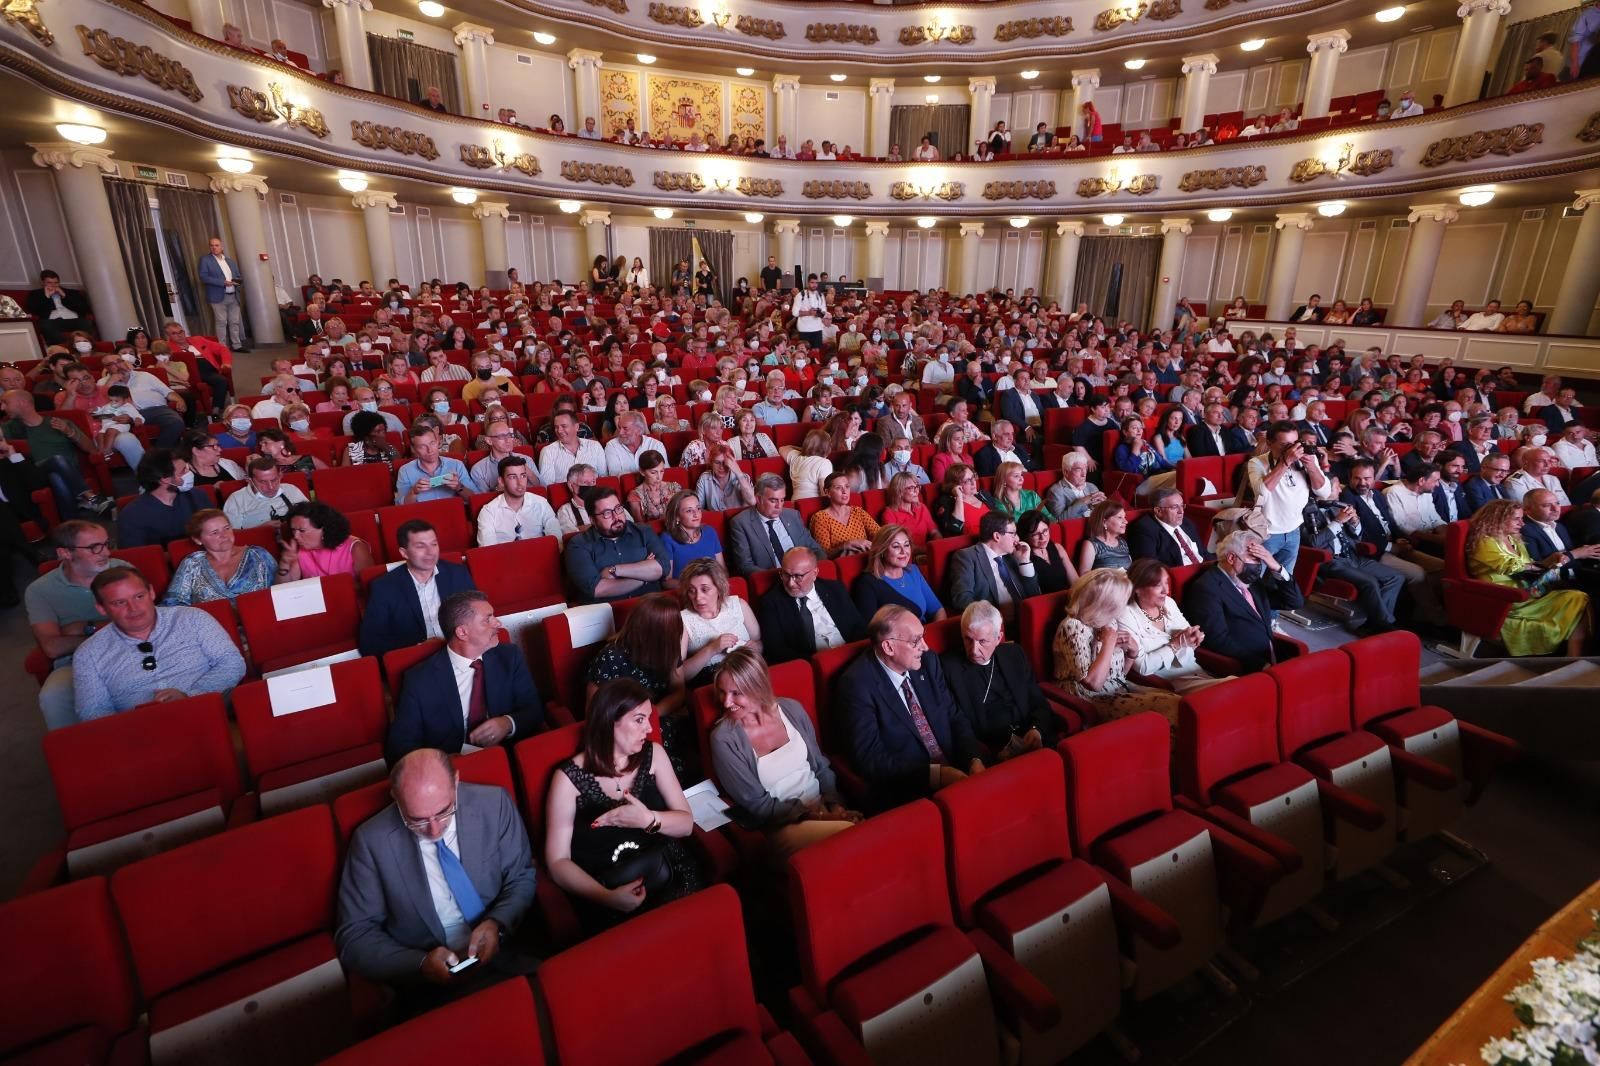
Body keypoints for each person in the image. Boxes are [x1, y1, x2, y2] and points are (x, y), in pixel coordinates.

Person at [335, 748, 539, 1015]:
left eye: (444, 812)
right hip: (428, 986)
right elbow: (354, 935)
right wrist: (419, 964)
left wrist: (497, 924)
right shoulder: (371, 842)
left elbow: (521, 876)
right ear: (395, 796)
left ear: (456, 781)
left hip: (507, 954)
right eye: (417, 820)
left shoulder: (494, 804)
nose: (433, 829)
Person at [544, 678, 702, 932]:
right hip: (604, 884)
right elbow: (557, 861)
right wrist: (605, 896)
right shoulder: (567, 779)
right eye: (639, 720)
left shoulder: (654, 755)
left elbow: (686, 824)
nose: (649, 729)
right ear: (609, 722)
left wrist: (649, 819)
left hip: (666, 870)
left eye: (648, 718)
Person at [709, 649, 858, 853]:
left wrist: (835, 805)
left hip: (824, 806)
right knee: (850, 836)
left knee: (860, 830)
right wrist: (818, 816)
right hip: (782, 824)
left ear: (757, 687)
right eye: (722, 692)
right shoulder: (724, 738)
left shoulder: (791, 709)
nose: (726, 702)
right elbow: (757, 805)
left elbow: (821, 767)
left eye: (736, 693)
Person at [836, 605, 981, 812]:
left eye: (923, 637)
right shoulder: (856, 685)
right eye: (915, 641)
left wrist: (973, 758)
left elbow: (954, 715)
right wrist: (935, 775)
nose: (926, 647)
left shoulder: (928, 662)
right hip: (911, 790)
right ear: (888, 647)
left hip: (958, 766)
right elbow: (870, 758)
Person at [386, 591, 544, 765]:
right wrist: (443, 761)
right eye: (487, 619)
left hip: (507, 757)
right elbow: (400, 746)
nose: (498, 623)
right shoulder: (419, 680)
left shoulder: (509, 657)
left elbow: (534, 710)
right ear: (462, 632)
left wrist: (507, 723)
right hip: (452, 768)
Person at [72, 567, 247, 720]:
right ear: (102, 608)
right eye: (119, 603)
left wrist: (191, 696)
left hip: (211, 709)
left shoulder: (192, 618)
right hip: (140, 732)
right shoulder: (89, 653)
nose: (134, 609)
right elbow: (92, 711)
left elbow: (231, 663)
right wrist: (141, 722)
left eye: (139, 596)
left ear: (151, 592)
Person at [27, 520, 136, 728]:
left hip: (133, 648)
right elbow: (51, 647)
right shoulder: (39, 590)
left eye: (106, 544)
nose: (105, 553)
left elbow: (146, 619)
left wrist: (79, 629)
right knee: (53, 694)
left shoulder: (123, 570)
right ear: (65, 553)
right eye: (94, 547)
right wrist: (97, 628)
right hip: (76, 663)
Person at [1055, 569, 1184, 728]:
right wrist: (1109, 644)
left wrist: (1132, 653)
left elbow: (1119, 675)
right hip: (1089, 698)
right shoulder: (1073, 627)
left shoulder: (1108, 621)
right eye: (1117, 604)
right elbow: (1093, 684)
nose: (1122, 609)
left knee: (1177, 703)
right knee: (1169, 712)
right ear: (1102, 605)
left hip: (1117, 688)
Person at [1466, 501, 1590, 656]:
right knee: (1577, 598)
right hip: (1505, 597)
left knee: (1579, 597)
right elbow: (1508, 566)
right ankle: (1572, 656)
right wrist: (1539, 566)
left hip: (1526, 590)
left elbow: (1528, 565)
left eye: (1522, 518)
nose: (1522, 523)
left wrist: (1550, 560)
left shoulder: (1512, 538)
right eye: (1516, 519)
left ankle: (1573, 655)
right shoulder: (1484, 541)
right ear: (1498, 518)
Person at [941, 601, 1056, 763]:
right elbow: (958, 724)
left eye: (982, 641)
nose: (974, 650)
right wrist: (987, 755)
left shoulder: (1014, 655)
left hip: (1030, 738)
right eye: (968, 639)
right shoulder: (949, 668)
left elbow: (1038, 701)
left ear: (998, 638)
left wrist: (1037, 730)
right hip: (991, 752)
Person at [1182, 530, 1298, 673]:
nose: (1259, 565)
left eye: (1260, 559)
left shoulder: (1252, 582)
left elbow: (1293, 602)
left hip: (1273, 656)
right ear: (1231, 557)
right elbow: (1217, 639)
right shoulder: (1206, 588)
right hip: (1249, 667)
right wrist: (1261, 666)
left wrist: (1276, 567)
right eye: (1254, 558)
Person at [360, 520, 476, 658]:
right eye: (421, 546)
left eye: (434, 544)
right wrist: (418, 647)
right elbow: (370, 642)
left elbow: (478, 614)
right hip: (419, 659)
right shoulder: (384, 587)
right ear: (404, 553)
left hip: (462, 650)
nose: (430, 552)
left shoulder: (457, 573)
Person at [1118, 559, 1228, 693]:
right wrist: (1176, 644)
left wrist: (1195, 638)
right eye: (1158, 585)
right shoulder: (1125, 615)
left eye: (1166, 582)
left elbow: (1189, 639)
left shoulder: (1168, 603)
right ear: (1137, 589)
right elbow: (1142, 666)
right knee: (1231, 689)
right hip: (1171, 682)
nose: (1166, 590)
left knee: (1236, 685)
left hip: (1195, 671)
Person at [2, 388, 112, 518]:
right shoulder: (7, 429)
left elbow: (92, 450)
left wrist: (69, 432)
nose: (2, 407)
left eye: (5, 403)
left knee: (57, 476)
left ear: (21, 402)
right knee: (56, 460)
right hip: (35, 475)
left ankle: (72, 521)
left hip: (69, 474)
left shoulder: (59, 423)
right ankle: (91, 497)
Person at [1300, 497, 1404, 632]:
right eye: (1336, 488)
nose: (1339, 492)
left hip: (1353, 556)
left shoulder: (1337, 508)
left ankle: (1375, 623)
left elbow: (1357, 537)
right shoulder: (1306, 511)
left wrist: (1355, 522)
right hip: (1332, 561)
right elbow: (1314, 543)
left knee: (1396, 577)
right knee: (1370, 582)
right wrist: (1338, 522)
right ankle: (1386, 624)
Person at [1246, 420, 1334, 572]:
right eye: (1284, 445)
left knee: (1285, 577)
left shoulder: (1308, 458)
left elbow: (1324, 493)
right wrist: (1285, 462)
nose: (1292, 449)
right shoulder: (1257, 463)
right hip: (1266, 533)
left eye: (1294, 443)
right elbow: (1262, 493)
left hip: (1294, 530)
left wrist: (1311, 465)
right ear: (1269, 443)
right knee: (1256, 576)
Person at [757, 546, 867, 663]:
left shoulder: (835, 589)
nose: (790, 583)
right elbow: (776, 651)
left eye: (798, 576)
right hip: (813, 664)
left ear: (815, 573)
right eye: (785, 574)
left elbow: (858, 627)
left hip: (853, 657)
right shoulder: (771, 602)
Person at [565, 485, 669, 602]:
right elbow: (597, 589)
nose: (616, 517)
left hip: (650, 607)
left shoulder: (644, 531)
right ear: (592, 520)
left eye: (618, 509)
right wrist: (647, 576)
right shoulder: (579, 544)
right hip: (607, 614)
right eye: (607, 513)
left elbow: (664, 567)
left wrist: (615, 570)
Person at [163, 509, 277, 606]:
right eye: (215, 532)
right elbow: (174, 603)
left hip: (259, 620)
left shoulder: (257, 554)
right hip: (210, 627)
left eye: (227, 528)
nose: (224, 535)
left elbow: (280, 590)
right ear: (198, 540)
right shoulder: (192, 563)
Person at [678, 558, 762, 684]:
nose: (698, 597)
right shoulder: (683, 619)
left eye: (705, 589)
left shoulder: (738, 605)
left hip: (747, 672)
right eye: (692, 590)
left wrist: (755, 648)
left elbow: (759, 643)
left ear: (719, 587)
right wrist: (711, 649)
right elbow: (679, 675)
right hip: (711, 681)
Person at [947, 511, 1041, 616]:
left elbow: (1035, 595)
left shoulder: (1012, 555)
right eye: (1013, 534)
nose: (1017, 539)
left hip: (1027, 619)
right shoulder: (966, 557)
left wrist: (1024, 562)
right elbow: (962, 600)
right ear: (997, 536)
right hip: (995, 626)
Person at [727, 474, 824, 576]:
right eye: (773, 500)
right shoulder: (741, 523)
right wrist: (783, 576)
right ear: (759, 499)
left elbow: (816, 550)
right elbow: (745, 566)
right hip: (771, 581)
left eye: (782, 500)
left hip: (803, 576)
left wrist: (808, 572)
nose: (779, 506)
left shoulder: (793, 515)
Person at [118, 450, 212, 548]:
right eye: (183, 471)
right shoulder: (132, 516)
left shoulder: (196, 496)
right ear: (165, 479)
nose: (189, 473)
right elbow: (138, 556)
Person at [852, 524, 945, 623]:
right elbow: (870, 629)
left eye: (906, 545)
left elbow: (938, 610)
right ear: (882, 551)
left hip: (924, 632)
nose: (903, 551)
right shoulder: (867, 583)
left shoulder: (913, 570)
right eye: (896, 546)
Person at [278, 500, 376, 580]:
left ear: (324, 529)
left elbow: (368, 584)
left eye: (302, 530)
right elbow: (284, 590)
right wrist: (284, 564)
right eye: (293, 530)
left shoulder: (355, 547)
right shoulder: (298, 550)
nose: (295, 536)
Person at [475, 455, 560, 547]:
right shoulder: (488, 512)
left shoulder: (541, 503)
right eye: (513, 477)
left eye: (523, 476)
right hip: (505, 560)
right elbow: (488, 552)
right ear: (501, 481)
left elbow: (557, 542)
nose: (520, 482)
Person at [1128, 487, 1211, 568]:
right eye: (1175, 507)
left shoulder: (1186, 523)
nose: (1181, 511)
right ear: (1158, 511)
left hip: (1204, 570)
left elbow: (1203, 553)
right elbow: (1151, 569)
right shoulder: (1145, 530)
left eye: (1182, 505)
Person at [395, 424, 474, 506]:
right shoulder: (405, 471)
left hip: (453, 511)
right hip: (422, 515)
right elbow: (401, 507)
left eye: (432, 443)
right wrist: (413, 492)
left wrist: (459, 487)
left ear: (437, 442)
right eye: (422, 446)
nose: (430, 450)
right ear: (413, 449)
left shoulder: (456, 464)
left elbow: (474, 498)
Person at [221, 456, 306, 530]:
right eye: (263, 482)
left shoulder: (291, 489)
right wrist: (261, 529)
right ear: (249, 481)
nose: (271, 487)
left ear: (280, 476)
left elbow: (311, 518)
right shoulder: (236, 499)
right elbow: (231, 534)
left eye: (274, 480)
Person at [809, 472, 880, 557]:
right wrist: (846, 545)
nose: (844, 491)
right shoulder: (820, 518)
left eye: (847, 487)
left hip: (865, 557)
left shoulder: (858, 512)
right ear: (827, 492)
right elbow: (824, 555)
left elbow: (880, 533)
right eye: (838, 488)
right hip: (842, 562)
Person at [197, 236, 246, 352]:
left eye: (216, 245)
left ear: (222, 247)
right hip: (218, 296)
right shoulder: (205, 260)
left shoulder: (229, 261)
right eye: (211, 245)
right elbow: (203, 277)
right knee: (221, 322)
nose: (214, 247)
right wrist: (222, 283)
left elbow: (237, 275)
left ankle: (237, 345)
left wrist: (237, 281)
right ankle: (222, 348)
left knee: (234, 322)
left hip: (234, 295)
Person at [25, 269, 95, 347]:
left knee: (85, 323)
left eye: (56, 282)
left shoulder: (71, 293)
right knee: (45, 325)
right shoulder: (35, 294)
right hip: (52, 321)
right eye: (49, 282)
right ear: (42, 282)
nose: (53, 285)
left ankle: (89, 347)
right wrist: (47, 297)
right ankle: (62, 349)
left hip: (73, 319)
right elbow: (34, 310)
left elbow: (83, 309)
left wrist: (64, 295)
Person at [538, 410, 609, 485]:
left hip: (595, 493)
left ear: (576, 427)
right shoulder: (548, 451)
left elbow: (603, 478)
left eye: (564, 426)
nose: (559, 430)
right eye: (556, 427)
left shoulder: (595, 446)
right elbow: (547, 486)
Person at [932, 463, 993, 537]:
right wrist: (959, 497)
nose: (973, 483)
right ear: (955, 485)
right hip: (971, 545)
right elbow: (955, 529)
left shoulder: (983, 494)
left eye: (973, 477)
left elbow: (999, 519)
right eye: (968, 480)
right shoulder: (945, 502)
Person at [1044, 451, 1106, 520]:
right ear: (1066, 472)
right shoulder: (1056, 491)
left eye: (1085, 468)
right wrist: (1082, 502)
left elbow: (1101, 514)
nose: (1084, 474)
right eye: (1079, 469)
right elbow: (1059, 519)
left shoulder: (1091, 487)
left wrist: (1103, 506)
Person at [881, 470, 938, 543]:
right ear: (899, 492)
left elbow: (935, 532)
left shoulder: (922, 507)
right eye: (911, 488)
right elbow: (896, 544)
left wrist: (936, 546)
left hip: (926, 551)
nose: (916, 491)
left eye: (917, 486)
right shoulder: (889, 514)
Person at [1077, 499, 1133, 573]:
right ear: (1104, 522)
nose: (1126, 521)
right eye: (1119, 517)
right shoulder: (1091, 544)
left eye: (1124, 517)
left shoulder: (1122, 542)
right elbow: (1084, 576)